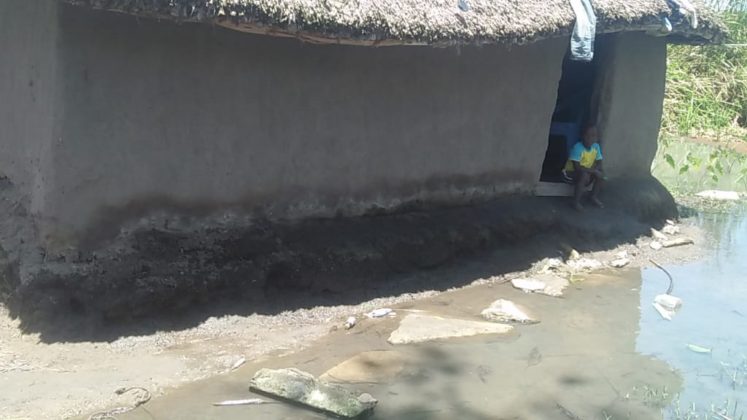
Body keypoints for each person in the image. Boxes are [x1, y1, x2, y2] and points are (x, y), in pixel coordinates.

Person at [562, 125, 605, 211]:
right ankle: (575, 202)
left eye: (593, 136)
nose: (590, 138)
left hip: (586, 171)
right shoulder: (577, 148)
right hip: (570, 173)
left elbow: (599, 162)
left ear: (597, 138)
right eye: (587, 135)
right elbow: (577, 167)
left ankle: (593, 196)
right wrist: (593, 171)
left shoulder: (596, 147)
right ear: (582, 136)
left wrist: (596, 170)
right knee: (584, 175)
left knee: (601, 173)